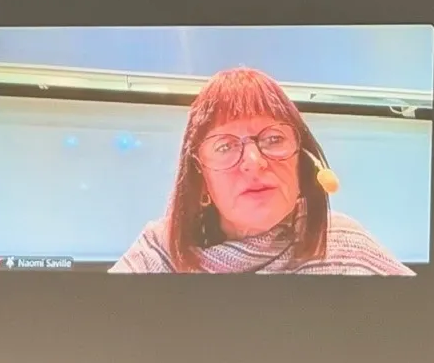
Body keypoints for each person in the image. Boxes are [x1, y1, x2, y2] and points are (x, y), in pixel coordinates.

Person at [111, 67, 414, 276]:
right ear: (200, 176)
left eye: (274, 139)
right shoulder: (158, 253)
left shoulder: (347, 248)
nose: (254, 161)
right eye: (225, 146)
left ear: (304, 161)